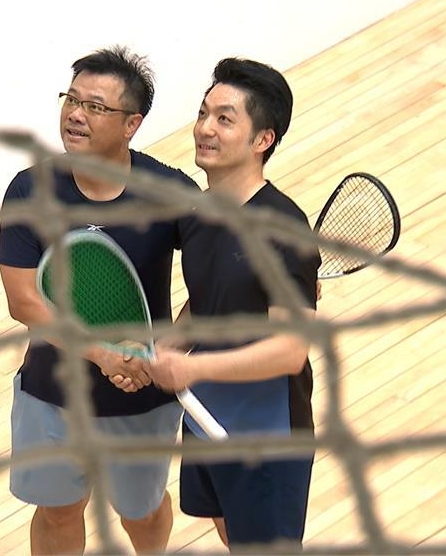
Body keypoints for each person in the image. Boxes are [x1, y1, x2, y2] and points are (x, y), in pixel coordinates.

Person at [0, 46, 200, 555]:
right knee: (58, 511)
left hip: (142, 398)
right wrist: (103, 354)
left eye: (95, 106)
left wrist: (170, 345)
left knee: (140, 511)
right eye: (71, 100)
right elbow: (24, 301)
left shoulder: (168, 191)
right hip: (51, 393)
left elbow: (215, 278)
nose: (75, 114)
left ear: (132, 124)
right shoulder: (30, 190)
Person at [143, 58, 321, 552]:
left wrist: (193, 369)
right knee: (226, 527)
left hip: (267, 434)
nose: (205, 128)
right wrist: (168, 346)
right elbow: (208, 301)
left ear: (262, 139)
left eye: (224, 119)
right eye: (204, 114)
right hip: (206, 417)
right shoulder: (199, 214)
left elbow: (290, 352)